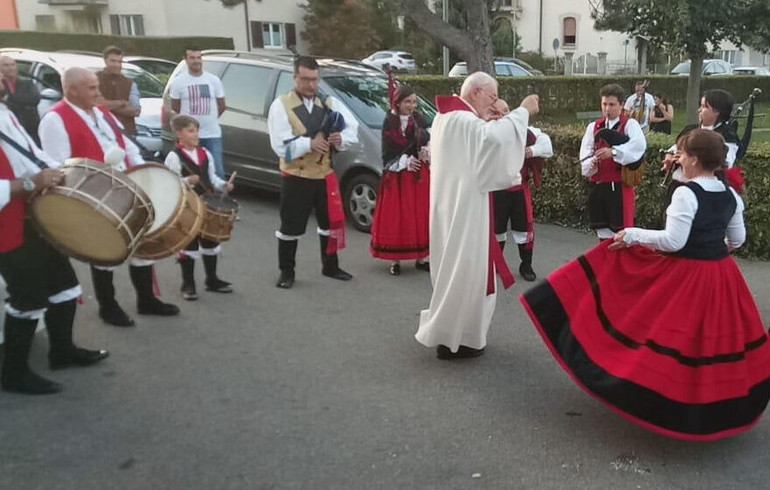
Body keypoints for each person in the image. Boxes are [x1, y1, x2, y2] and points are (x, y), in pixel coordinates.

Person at [521, 129, 770, 441]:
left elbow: (673, 242)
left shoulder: (686, 193)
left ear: (693, 159)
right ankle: (711, 411)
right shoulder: (730, 194)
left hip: (689, 277)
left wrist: (633, 233)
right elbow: (738, 240)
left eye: (682, 153)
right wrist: (712, 246)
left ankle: (661, 402)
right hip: (721, 275)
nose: (678, 158)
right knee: (710, 344)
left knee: (666, 337)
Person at [38, 67, 179, 327]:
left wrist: (143, 172)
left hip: (127, 184)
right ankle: (108, 305)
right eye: (91, 88)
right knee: (104, 251)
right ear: (72, 90)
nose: (98, 92)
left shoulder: (102, 112)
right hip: (94, 196)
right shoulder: (54, 119)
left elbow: (126, 146)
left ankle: (146, 299)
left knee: (141, 244)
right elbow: (59, 167)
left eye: (96, 86)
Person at [415, 71, 539, 360]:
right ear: (475, 92)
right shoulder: (462, 120)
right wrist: (522, 111)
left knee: (456, 270)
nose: (494, 103)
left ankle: (456, 335)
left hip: (453, 205)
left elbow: (479, 143)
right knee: (467, 270)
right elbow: (494, 140)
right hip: (466, 209)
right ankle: (457, 340)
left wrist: (491, 119)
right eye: (492, 96)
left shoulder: (445, 118)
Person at [0, 78, 108, 395]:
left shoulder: (4, 112)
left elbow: (31, 153)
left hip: (31, 214)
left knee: (64, 284)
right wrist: (30, 184)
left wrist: (61, 172)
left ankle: (61, 352)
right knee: (28, 296)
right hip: (6, 225)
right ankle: (13, 373)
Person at [267, 56, 359, 289]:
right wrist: (309, 144)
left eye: (315, 80)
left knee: (330, 224)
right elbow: (280, 146)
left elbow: (352, 129)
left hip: (324, 175)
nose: (311, 85)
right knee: (290, 227)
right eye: (306, 79)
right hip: (295, 176)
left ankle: (330, 266)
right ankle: (286, 271)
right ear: (295, 77)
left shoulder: (329, 103)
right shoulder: (281, 105)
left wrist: (341, 139)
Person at [164, 115, 234, 300]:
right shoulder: (174, 156)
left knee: (210, 240)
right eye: (191, 130)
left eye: (196, 130)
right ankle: (188, 283)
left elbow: (212, 178)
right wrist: (186, 180)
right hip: (186, 205)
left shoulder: (205, 153)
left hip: (206, 203)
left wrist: (223, 185)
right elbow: (169, 183)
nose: (196, 134)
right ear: (179, 133)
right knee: (189, 243)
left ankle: (212, 279)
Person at [370, 85, 431, 275]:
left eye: (414, 101)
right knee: (397, 216)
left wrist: (426, 152)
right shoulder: (390, 121)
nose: (411, 105)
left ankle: (422, 257)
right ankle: (395, 260)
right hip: (397, 177)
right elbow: (388, 152)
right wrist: (405, 161)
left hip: (419, 175)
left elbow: (428, 140)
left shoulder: (420, 119)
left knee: (420, 214)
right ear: (398, 102)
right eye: (407, 102)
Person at [490, 111, 553, 282]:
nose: (501, 115)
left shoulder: (524, 130)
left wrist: (530, 151)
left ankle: (526, 265)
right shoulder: (488, 130)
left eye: (505, 112)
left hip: (519, 188)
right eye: (497, 112)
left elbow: (547, 147)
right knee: (496, 228)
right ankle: (494, 264)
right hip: (496, 188)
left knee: (524, 228)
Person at [580, 84, 647, 241]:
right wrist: (591, 163)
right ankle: (605, 265)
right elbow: (584, 154)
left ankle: (620, 266)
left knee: (621, 235)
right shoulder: (594, 127)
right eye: (604, 104)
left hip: (619, 188)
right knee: (602, 233)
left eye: (612, 104)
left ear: (622, 105)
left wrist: (614, 152)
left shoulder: (630, 125)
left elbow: (638, 147)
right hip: (597, 186)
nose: (607, 109)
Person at [661, 89, 740, 203]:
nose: (699, 110)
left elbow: (726, 162)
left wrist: (688, 159)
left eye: (704, 107)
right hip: (678, 186)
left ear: (717, 111)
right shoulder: (691, 129)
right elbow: (676, 147)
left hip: (705, 192)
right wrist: (669, 156)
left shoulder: (727, 135)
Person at [169, 47, 226, 178]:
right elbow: (176, 108)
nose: (196, 61)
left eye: (199, 58)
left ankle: (218, 198)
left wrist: (209, 120)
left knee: (217, 172)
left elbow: (222, 106)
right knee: (191, 172)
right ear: (186, 60)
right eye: (192, 58)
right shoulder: (178, 82)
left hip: (212, 134)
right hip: (189, 136)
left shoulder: (213, 80)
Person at [96, 46, 141, 138]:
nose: (116, 65)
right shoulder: (94, 79)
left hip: (126, 133)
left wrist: (106, 104)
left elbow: (136, 111)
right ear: (105, 61)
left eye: (119, 61)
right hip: (101, 132)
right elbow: (95, 104)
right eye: (113, 61)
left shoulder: (130, 83)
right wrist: (122, 103)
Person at [0, 55, 41, 144]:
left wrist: (9, 97)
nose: (10, 68)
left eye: (12, 65)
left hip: (30, 129)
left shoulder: (27, 82)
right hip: (8, 130)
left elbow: (35, 99)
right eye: (6, 65)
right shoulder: (1, 86)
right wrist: (22, 100)